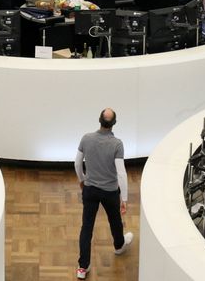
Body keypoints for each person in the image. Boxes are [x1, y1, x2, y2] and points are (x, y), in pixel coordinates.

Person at [75, 108, 133, 280]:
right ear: (114, 123)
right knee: (115, 220)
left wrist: (82, 180)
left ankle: (82, 266)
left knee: (87, 227)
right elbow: (121, 173)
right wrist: (124, 198)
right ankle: (119, 245)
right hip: (110, 192)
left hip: (90, 189)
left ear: (99, 120)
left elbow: (77, 163)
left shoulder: (86, 138)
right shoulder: (117, 144)